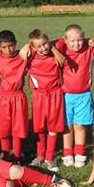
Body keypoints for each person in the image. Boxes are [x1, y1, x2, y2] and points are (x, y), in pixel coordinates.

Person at [54, 24, 94, 168]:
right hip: (66, 96)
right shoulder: (62, 49)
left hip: (84, 96)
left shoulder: (89, 49)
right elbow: (46, 43)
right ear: (65, 40)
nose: (76, 44)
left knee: (80, 126)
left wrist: (90, 40)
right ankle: (67, 153)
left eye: (79, 40)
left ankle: (80, 153)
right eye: (72, 41)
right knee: (68, 127)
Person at [26, 30, 65, 172]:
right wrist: (27, 46)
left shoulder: (57, 48)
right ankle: (40, 155)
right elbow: (18, 53)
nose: (43, 48)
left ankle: (49, 157)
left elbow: (66, 38)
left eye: (45, 44)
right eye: (39, 46)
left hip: (55, 94)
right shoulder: (30, 55)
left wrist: (54, 49)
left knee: (53, 127)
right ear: (33, 47)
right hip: (39, 95)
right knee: (40, 127)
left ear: (49, 41)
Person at [0, 30, 29, 163]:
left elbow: (41, 42)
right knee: (4, 129)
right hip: (2, 97)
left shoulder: (23, 55)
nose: (8, 50)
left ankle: (17, 156)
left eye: (11, 46)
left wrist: (28, 44)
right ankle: (7, 157)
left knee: (18, 128)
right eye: (4, 47)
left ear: (16, 43)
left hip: (18, 96)